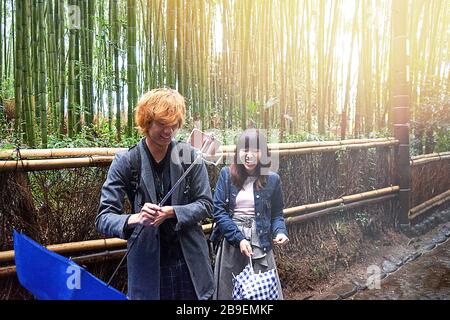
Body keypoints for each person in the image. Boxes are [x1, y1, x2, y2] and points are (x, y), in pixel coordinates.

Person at [96, 88, 214, 300]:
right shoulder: (127, 162)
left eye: (174, 124)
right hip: (148, 267)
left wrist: (171, 212)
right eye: (162, 124)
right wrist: (136, 218)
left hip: (190, 262)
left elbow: (206, 204)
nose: (168, 131)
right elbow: (104, 217)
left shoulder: (189, 156)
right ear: (147, 122)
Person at [211, 128, 289, 300]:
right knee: (229, 292)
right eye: (245, 150)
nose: (250, 155)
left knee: (262, 291)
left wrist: (280, 231)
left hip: (260, 242)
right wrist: (239, 238)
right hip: (232, 242)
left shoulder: (272, 179)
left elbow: (276, 213)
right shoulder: (226, 175)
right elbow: (219, 211)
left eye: (255, 150)